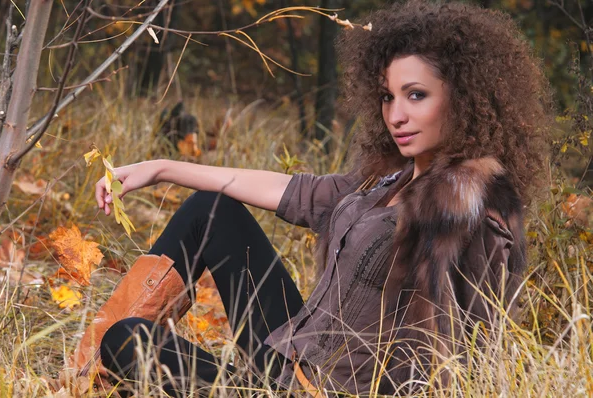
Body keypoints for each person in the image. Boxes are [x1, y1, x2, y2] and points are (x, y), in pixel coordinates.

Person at [69, 0, 552, 396]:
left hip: (326, 390)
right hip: (292, 357)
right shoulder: (386, 180)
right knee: (210, 208)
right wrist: (160, 168)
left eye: (417, 95)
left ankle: (104, 363)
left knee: (126, 341)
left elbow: (471, 344)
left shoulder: (469, 207)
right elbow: (289, 190)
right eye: (388, 97)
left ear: (462, 98)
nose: (397, 114)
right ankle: (82, 371)